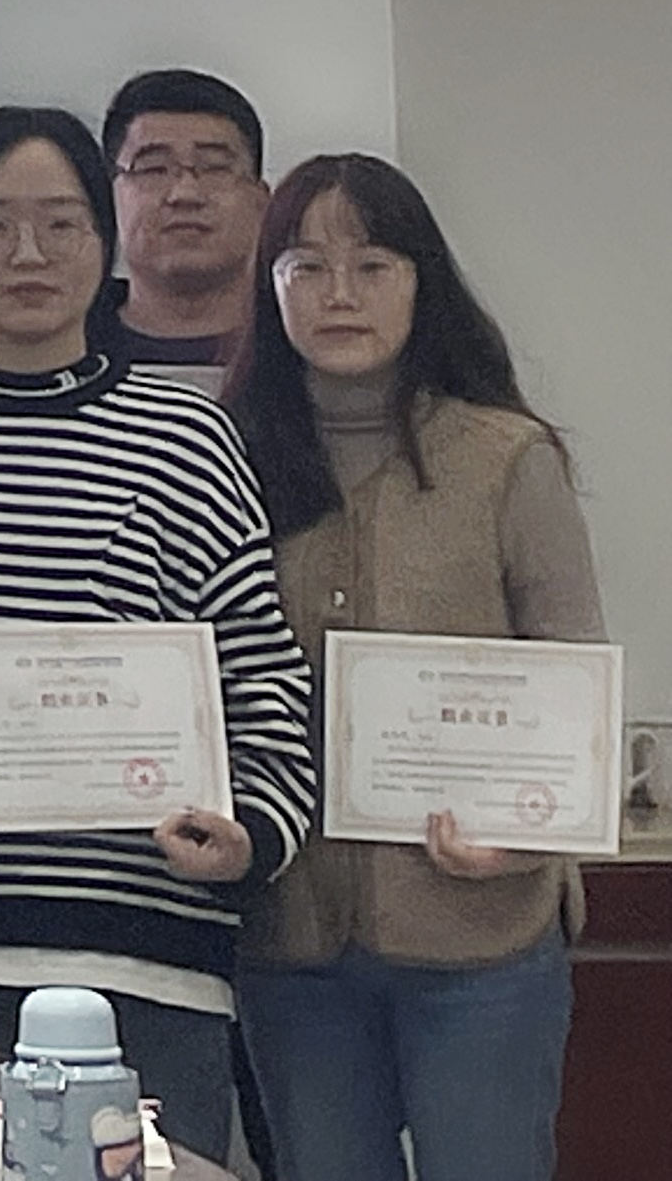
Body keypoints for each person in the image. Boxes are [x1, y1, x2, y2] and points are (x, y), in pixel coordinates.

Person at [0, 108, 318, 1163]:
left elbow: (261, 674)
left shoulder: (187, 433)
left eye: (61, 224)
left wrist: (251, 833)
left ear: (105, 240)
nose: (28, 253)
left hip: (152, 954)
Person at [228, 154, 599, 1181]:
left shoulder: (506, 458)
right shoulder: (224, 458)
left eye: (372, 265)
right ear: (269, 289)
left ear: (422, 280)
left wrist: (520, 838)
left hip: (481, 934)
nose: (339, 294)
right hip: (289, 939)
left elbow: (574, 689)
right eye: (306, 268)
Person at [101, 69, 270, 375]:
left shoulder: (303, 348)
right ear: (107, 196)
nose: (185, 194)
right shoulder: (63, 348)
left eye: (215, 168)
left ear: (262, 202)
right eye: (154, 169)